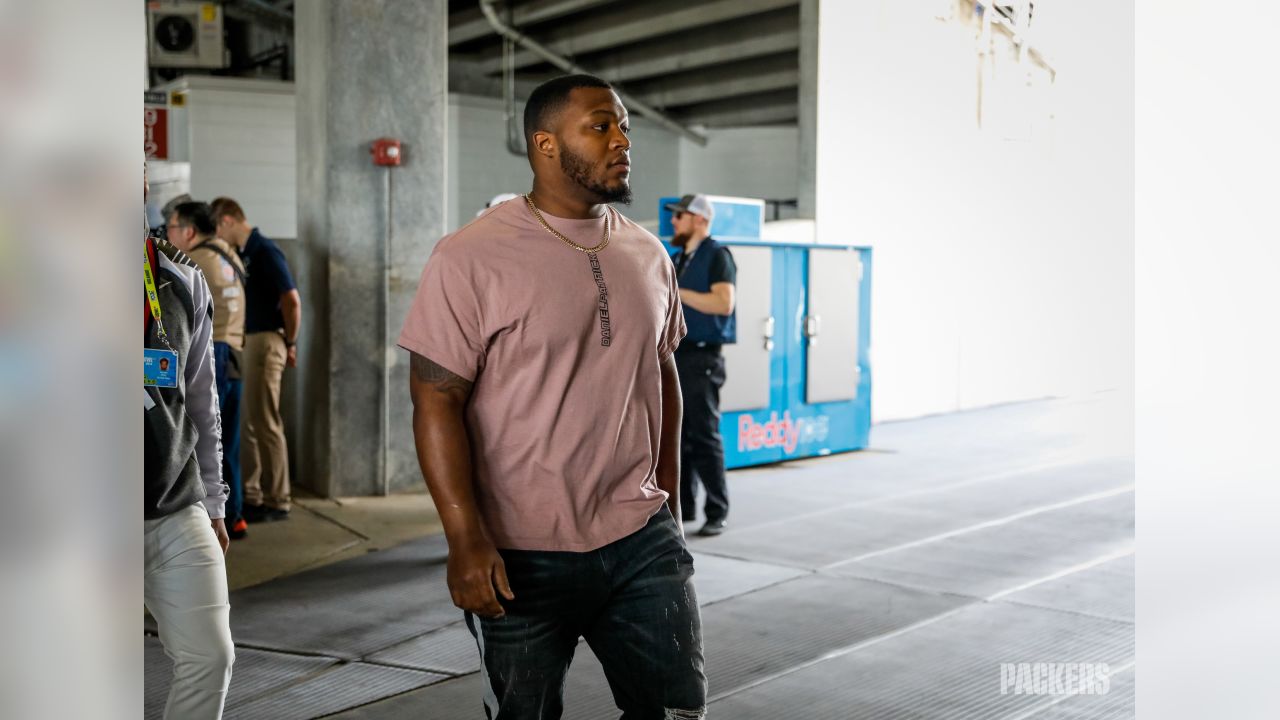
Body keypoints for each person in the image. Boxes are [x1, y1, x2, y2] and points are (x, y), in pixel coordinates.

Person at [400, 74, 706, 719]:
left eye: (624, 125)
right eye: (600, 126)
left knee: (676, 713)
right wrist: (465, 537)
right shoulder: (470, 257)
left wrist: (669, 501)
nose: (622, 140)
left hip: (640, 536)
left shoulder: (648, 253)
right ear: (545, 143)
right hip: (518, 553)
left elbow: (664, 373)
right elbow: (435, 400)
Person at [143, 165, 235, 719]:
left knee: (210, 657)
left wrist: (215, 500)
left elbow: (201, 400)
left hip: (175, 507)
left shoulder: (178, 276)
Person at [209, 197, 300, 523]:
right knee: (249, 422)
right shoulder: (244, 254)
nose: (217, 234)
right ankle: (254, 495)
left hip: (266, 340)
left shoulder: (264, 250)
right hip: (250, 342)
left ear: (229, 220)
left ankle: (278, 499)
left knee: (266, 421)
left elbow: (291, 300)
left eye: (218, 226)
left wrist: (290, 341)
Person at [168, 201, 250, 540]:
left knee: (202, 431)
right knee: (227, 439)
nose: (167, 236)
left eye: (171, 229)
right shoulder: (228, 255)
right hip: (234, 353)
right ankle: (238, 513)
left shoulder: (191, 265)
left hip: (211, 351)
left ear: (188, 231)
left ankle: (218, 513)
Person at [666, 193, 737, 537]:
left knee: (704, 435)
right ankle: (686, 507)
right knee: (679, 436)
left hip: (703, 357)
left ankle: (717, 509)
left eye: (680, 216)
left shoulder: (717, 256)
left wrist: (676, 292)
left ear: (700, 220)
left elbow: (724, 303)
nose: (674, 222)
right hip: (678, 354)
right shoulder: (680, 258)